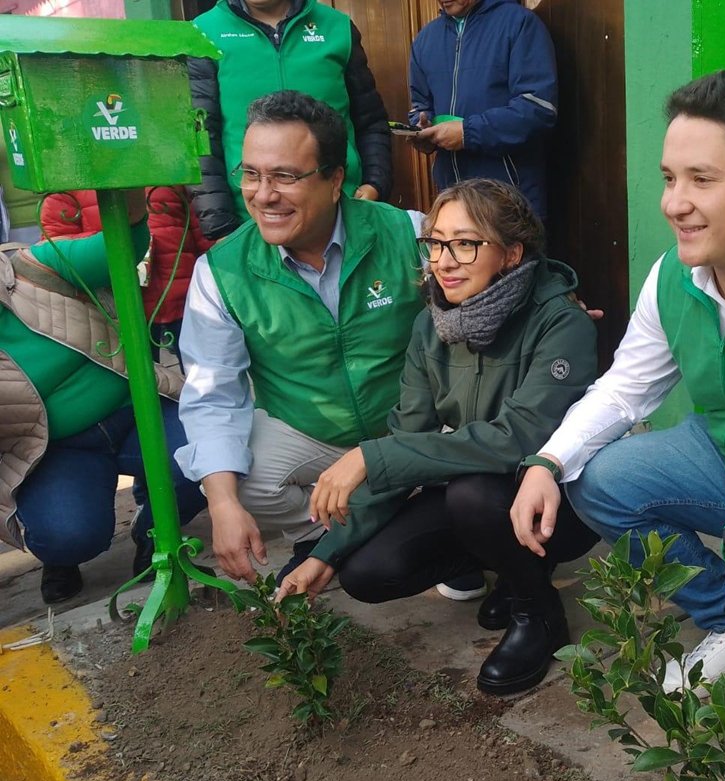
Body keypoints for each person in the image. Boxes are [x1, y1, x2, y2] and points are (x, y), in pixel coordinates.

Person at [510, 70, 725, 698]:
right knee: (600, 476)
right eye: (670, 178)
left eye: (702, 179)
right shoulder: (675, 275)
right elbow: (626, 388)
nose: (673, 202)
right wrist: (547, 462)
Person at [277, 178, 598, 696]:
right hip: (486, 497)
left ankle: (536, 613)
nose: (444, 260)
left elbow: (515, 437)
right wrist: (326, 552)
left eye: (466, 243)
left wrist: (371, 454)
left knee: (472, 492)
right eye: (435, 242)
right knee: (367, 572)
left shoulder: (562, 324)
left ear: (512, 254)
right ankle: (513, 572)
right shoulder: (433, 326)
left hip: (561, 502)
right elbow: (409, 436)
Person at [175, 91, 424, 585]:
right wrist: (221, 504)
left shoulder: (408, 233)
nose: (263, 194)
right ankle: (351, 529)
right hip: (312, 432)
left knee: (469, 458)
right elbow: (212, 395)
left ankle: (414, 528)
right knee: (234, 484)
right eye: (251, 174)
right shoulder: (222, 272)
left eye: (285, 176)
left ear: (335, 181)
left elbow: (487, 262)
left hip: (410, 428)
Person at [1, 191, 205, 603]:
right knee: (67, 535)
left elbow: (122, 245)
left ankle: (155, 533)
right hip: (56, 450)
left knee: (209, 459)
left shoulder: (24, 269)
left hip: (134, 410)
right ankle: (61, 553)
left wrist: (129, 191)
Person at [188, 0, 392, 240]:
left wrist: (375, 183)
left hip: (342, 216)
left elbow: (370, 121)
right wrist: (221, 228)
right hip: (252, 225)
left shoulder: (337, 28)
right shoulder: (203, 33)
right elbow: (198, 140)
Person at [408, 0, 557, 220]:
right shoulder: (425, 40)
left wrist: (468, 133)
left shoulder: (519, 24)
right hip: (452, 200)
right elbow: (419, 107)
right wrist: (421, 130)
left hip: (509, 201)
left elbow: (538, 107)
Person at [40, 187, 214, 371]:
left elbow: (198, 227)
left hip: (183, 296)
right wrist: (114, 239)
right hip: (123, 307)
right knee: (140, 376)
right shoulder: (71, 186)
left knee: (207, 373)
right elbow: (60, 249)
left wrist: (212, 275)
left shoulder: (161, 171)